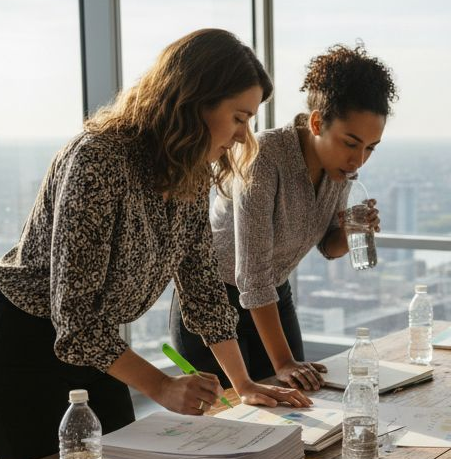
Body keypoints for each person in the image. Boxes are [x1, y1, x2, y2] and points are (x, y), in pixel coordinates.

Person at [0, 28, 310, 459]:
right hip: (21, 352)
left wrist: (242, 383)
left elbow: (203, 290)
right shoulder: (98, 160)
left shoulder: (191, 175)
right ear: (194, 103)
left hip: (97, 351)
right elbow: (74, 319)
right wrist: (163, 387)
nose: (244, 137)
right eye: (239, 118)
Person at [170, 43, 397, 391]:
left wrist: (351, 230)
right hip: (213, 300)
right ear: (318, 122)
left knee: (299, 398)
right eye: (351, 143)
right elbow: (252, 274)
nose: (359, 160)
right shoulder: (263, 157)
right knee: (224, 421)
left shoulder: (340, 170)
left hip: (273, 296)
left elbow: (329, 248)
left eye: (370, 147)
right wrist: (284, 362)